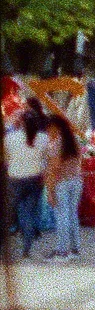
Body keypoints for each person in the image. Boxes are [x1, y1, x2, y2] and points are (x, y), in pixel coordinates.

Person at [2, 104, 46, 258]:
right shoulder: (43, 138)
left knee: (10, 212)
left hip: (15, 179)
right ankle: (26, 247)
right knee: (28, 213)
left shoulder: (10, 138)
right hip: (35, 179)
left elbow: (6, 158)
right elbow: (45, 159)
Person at [42, 107, 86, 258]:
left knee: (62, 216)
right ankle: (75, 249)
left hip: (62, 183)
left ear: (54, 127)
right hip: (76, 180)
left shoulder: (56, 144)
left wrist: (49, 191)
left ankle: (62, 250)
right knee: (72, 215)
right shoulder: (73, 140)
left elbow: (54, 169)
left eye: (48, 129)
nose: (48, 133)